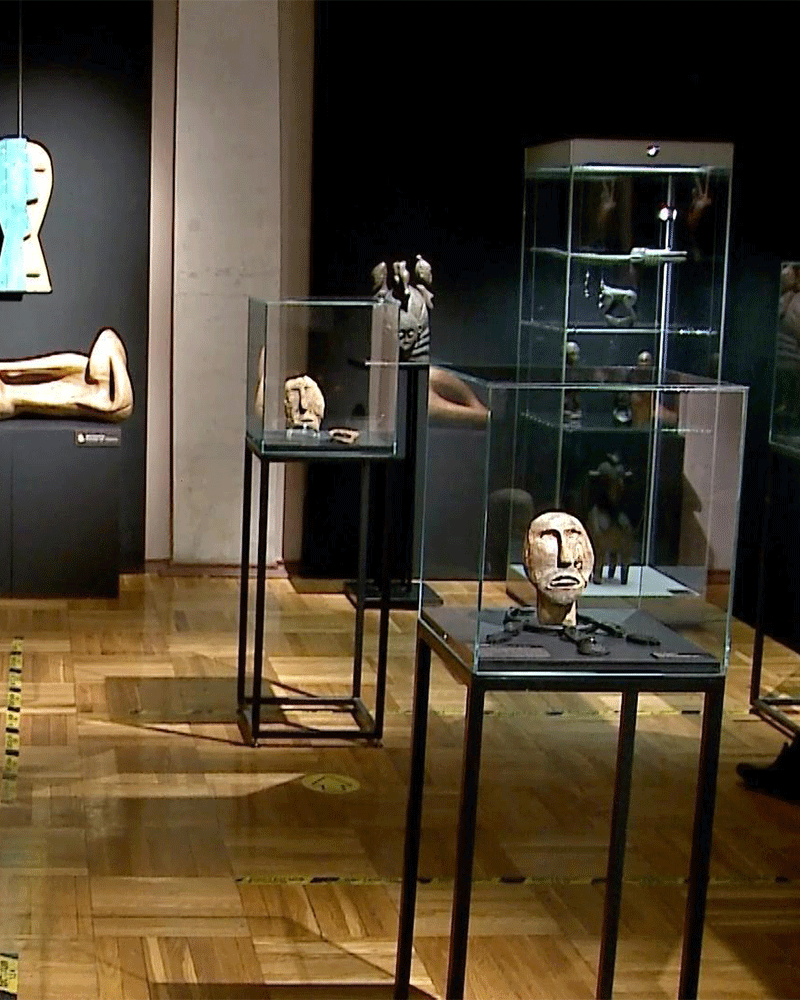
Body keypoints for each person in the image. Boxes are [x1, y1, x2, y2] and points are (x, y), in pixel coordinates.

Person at [0, 327, 133, 421]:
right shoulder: (83, 368)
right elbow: (108, 338)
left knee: (12, 394)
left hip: (11, 397)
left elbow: (108, 338)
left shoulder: (113, 403)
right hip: (12, 393)